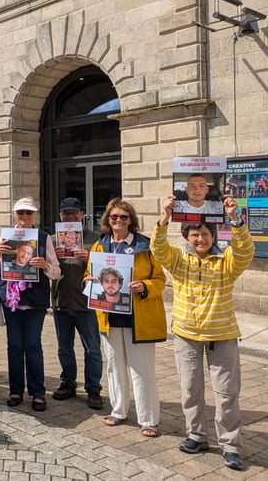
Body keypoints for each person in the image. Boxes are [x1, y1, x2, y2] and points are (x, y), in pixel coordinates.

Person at [152, 194, 254, 471]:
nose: (200, 239)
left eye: (205, 234)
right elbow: (158, 248)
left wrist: (234, 218)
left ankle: (230, 445)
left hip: (221, 336)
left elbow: (245, 250)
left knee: (226, 393)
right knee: (190, 390)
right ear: (187, 238)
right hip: (186, 335)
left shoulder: (226, 262)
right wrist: (165, 216)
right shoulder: (177, 260)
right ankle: (196, 436)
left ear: (213, 236)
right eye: (195, 234)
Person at [85, 197, 166, 438]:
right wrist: (88, 281)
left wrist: (144, 285)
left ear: (131, 220)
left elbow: (160, 280)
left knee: (142, 370)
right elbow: (90, 275)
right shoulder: (100, 246)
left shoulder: (145, 246)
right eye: (113, 217)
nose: (118, 221)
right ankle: (119, 410)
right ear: (107, 220)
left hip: (137, 317)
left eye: (123, 217)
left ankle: (148, 418)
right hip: (109, 316)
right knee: (114, 367)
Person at [0, 197, 60, 411]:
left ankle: (37, 393)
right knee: (14, 346)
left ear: (34, 215)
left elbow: (57, 272)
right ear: (14, 214)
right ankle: (15, 391)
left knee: (32, 345)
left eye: (28, 213)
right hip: (11, 301)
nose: (24, 217)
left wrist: (45, 266)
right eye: (20, 212)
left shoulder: (43, 238)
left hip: (35, 301)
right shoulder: (6, 238)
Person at [50, 197, 103, 410]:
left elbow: (109, 270)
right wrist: (50, 259)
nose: (70, 216)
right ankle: (68, 382)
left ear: (82, 214)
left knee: (92, 349)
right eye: (66, 213)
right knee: (64, 347)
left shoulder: (96, 239)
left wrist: (90, 257)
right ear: (60, 215)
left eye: (74, 212)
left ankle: (93, 388)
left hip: (87, 303)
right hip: (61, 301)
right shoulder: (52, 240)